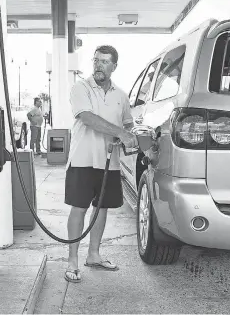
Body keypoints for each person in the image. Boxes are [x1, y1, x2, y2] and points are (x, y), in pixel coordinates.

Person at [64, 45, 138, 283]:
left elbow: (128, 125)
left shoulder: (121, 95)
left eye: (105, 62)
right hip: (82, 160)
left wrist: (132, 135)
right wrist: (121, 132)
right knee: (79, 208)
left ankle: (93, 255)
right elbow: (86, 117)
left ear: (114, 67)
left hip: (110, 163)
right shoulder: (81, 87)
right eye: (96, 60)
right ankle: (72, 261)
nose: (98, 65)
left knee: (101, 208)